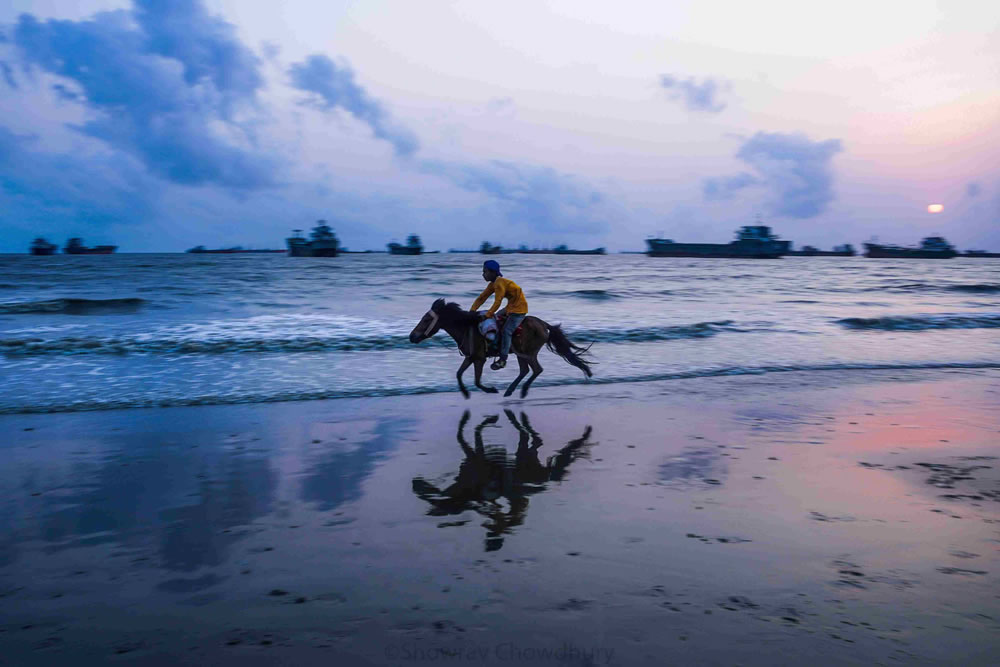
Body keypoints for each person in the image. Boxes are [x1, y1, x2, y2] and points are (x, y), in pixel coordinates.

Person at [469, 260, 528, 370]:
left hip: (519, 309)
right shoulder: (493, 284)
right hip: (510, 307)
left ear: (493, 272)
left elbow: (497, 302)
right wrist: (472, 310)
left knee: (507, 331)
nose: (483, 274)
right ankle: (495, 345)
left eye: (485, 272)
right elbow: (482, 297)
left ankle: (502, 360)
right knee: (495, 319)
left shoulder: (500, 283)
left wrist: (487, 315)